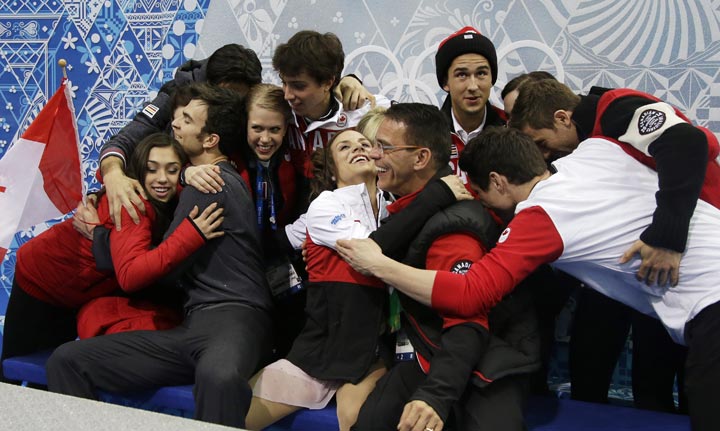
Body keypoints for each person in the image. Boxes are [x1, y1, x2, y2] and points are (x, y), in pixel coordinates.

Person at [336, 127, 720, 431]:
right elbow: (700, 141)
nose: (483, 207)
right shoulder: (596, 150)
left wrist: (380, 264)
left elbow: (470, 294)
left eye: (483, 196)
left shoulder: (540, 216)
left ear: (499, 182)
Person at [46, 84, 273, 428]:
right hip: (195, 326)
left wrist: (98, 235)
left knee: (219, 378)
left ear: (210, 139)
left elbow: (157, 266)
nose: (175, 124)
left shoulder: (209, 182)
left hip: (235, 318)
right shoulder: (201, 179)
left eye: (186, 119)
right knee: (67, 361)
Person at [349, 103, 540, 431]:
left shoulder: (452, 229)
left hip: (483, 357)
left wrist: (435, 396)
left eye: (385, 147)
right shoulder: (411, 209)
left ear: (421, 158)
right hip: (429, 345)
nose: (374, 156)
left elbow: (467, 322)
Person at [1, 133, 224, 379]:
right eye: (152, 170)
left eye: (172, 170)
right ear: (139, 170)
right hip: (42, 282)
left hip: (80, 288)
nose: (162, 178)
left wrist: (190, 174)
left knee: (48, 377)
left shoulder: (158, 193)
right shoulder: (134, 205)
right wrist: (191, 235)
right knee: (14, 374)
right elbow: (131, 275)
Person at [99, 43, 372, 230]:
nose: (230, 108)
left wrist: (347, 81)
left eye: (239, 102)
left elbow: (307, 94)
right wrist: (112, 174)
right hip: (166, 213)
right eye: (224, 98)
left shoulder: (265, 112)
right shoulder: (175, 96)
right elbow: (126, 139)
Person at [246, 129, 389, 431]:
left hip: (371, 355)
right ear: (332, 171)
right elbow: (374, 254)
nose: (358, 148)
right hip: (319, 351)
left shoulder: (394, 208)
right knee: (239, 410)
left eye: (365, 144)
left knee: (355, 419)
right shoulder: (326, 204)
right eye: (345, 147)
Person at [273, 30, 391, 193]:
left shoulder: (366, 110)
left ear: (328, 82)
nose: (287, 95)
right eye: (284, 83)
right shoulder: (277, 110)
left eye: (299, 86)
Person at [434, 26, 506, 184]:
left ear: (492, 78)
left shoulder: (511, 128)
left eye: (481, 73)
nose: (473, 86)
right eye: (462, 75)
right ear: (445, 82)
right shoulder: (426, 133)